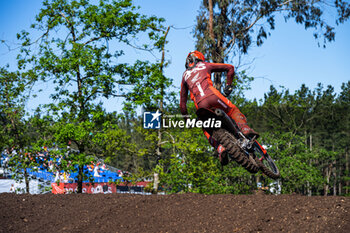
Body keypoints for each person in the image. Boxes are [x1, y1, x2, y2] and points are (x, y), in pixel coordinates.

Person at [180, 50, 258, 165]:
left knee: (206, 130)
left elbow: (182, 104)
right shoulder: (204, 65)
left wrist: (187, 120)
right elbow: (230, 68)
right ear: (200, 59)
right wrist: (228, 86)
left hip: (201, 106)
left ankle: (220, 148)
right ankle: (245, 128)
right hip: (213, 96)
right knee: (232, 110)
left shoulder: (184, 76)